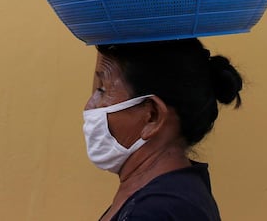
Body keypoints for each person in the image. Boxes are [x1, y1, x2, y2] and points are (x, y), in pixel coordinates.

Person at [83, 38, 244, 221]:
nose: (90, 107)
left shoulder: (158, 211)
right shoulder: (163, 195)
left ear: (152, 116)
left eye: (102, 90)